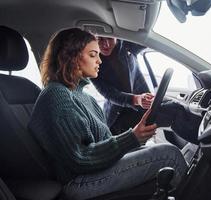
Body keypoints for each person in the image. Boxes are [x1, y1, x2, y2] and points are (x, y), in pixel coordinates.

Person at [28, 28, 188, 199]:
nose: (99, 60)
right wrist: (132, 137)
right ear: (72, 57)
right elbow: (79, 158)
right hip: (78, 181)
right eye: (92, 55)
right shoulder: (57, 95)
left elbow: (104, 143)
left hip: (96, 170)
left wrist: (137, 140)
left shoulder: (84, 97)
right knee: (169, 156)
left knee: (161, 150)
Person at [91, 37, 153, 134]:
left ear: (116, 36)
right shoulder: (93, 64)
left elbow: (147, 38)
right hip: (117, 116)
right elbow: (110, 94)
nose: (106, 44)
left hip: (142, 106)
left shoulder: (127, 45)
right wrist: (136, 99)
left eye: (110, 38)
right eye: (101, 39)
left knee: (175, 108)